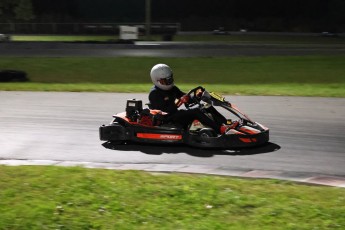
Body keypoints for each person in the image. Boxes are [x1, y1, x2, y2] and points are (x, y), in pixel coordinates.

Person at [148, 63, 232, 134]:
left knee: (206, 106)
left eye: (169, 80)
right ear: (156, 80)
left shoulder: (173, 89)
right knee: (195, 111)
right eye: (165, 81)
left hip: (176, 114)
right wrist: (180, 101)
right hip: (167, 119)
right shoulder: (154, 93)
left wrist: (196, 95)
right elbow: (165, 112)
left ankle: (227, 123)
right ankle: (220, 129)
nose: (168, 83)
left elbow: (185, 96)